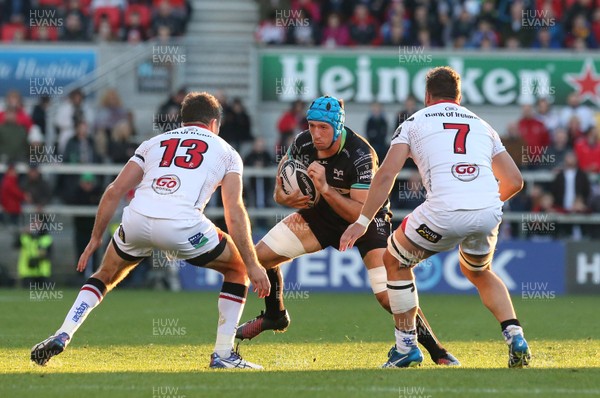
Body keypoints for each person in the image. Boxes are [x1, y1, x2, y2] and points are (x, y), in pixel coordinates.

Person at [31, 92, 270, 369]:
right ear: (215, 123)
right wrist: (253, 264)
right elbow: (234, 210)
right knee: (237, 267)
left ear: (183, 120)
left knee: (105, 275)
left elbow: (113, 191)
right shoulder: (227, 152)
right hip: (182, 225)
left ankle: (64, 332)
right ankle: (223, 354)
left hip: (136, 219)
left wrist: (95, 238)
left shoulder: (153, 143)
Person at [236, 95, 460, 366]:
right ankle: (275, 315)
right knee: (259, 258)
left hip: (367, 221)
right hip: (319, 217)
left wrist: (326, 189)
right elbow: (280, 187)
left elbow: (358, 213)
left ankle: (436, 350)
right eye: (312, 126)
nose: (315, 134)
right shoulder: (301, 142)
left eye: (323, 128)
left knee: (387, 296)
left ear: (338, 128)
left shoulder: (361, 155)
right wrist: (285, 198)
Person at [340, 66, 531, 368]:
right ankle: (515, 335)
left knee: (394, 261)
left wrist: (362, 221)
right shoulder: (482, 125)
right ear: (459, 96)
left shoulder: (413, 122)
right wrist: (482, 205)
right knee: (480, 273)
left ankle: (406, 347)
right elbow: (515, 181)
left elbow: (387, 173)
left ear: (427, 96)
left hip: (443, 212)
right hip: (488, 210)